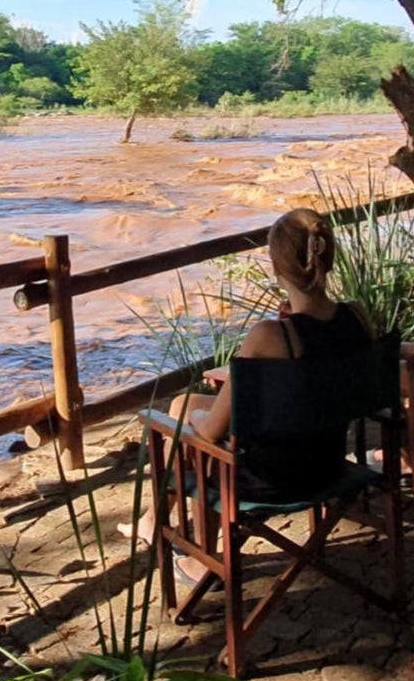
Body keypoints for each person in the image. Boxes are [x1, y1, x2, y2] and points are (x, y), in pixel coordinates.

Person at [121, 207, 373, 559]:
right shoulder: (357, 317)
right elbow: (320, 380)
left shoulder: (272, 336)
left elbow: (210, 434)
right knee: (184, 405)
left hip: (272, 481)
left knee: (186, 427)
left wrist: (193, 424)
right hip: (331, 464)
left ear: (277, 268)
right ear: (327, 259)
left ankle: (201, 561)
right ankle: (152, 520)